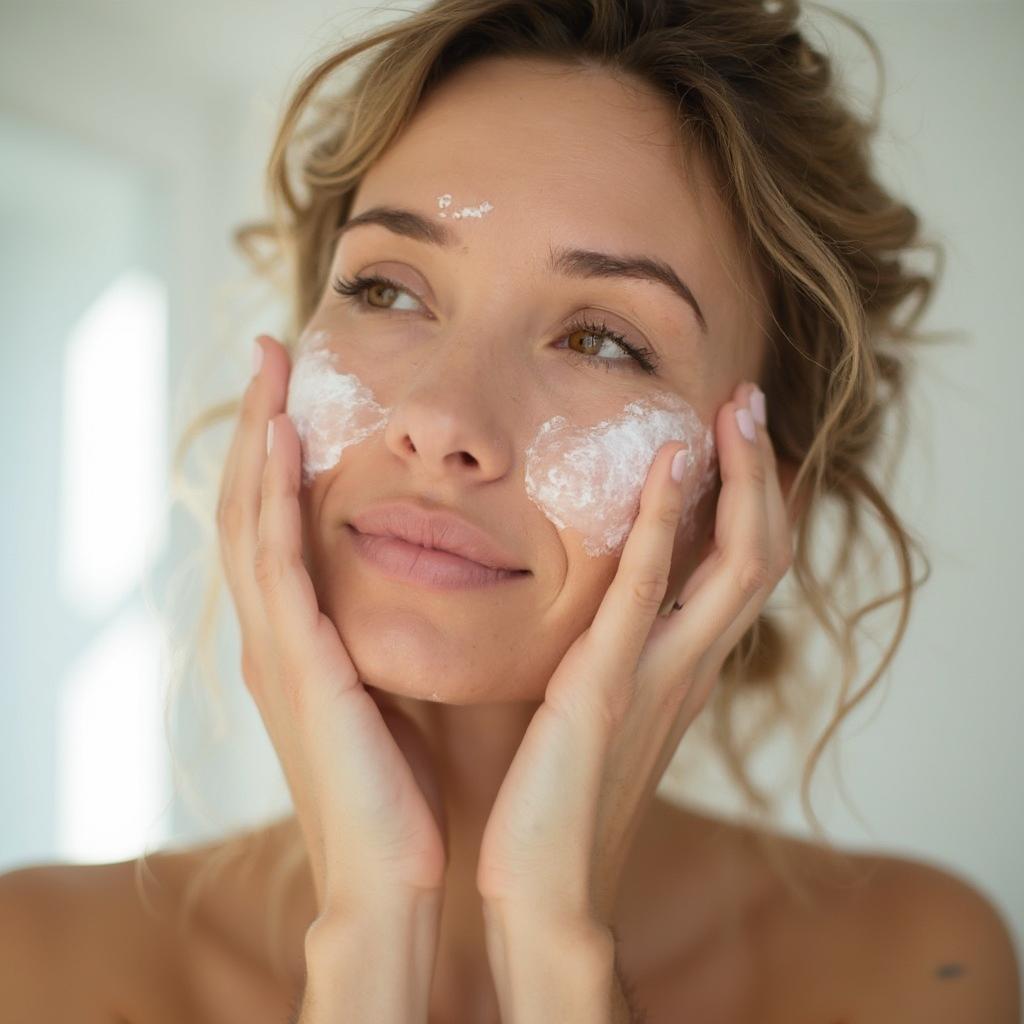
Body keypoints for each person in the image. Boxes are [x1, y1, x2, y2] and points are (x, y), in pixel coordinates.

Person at [2, 1, 1019, 1022]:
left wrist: (558, 948)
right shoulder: (39, 963)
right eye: (389, 290)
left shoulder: (904, 967)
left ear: (748, 500)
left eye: (600, 341)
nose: (441, 418)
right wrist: (369, 932)